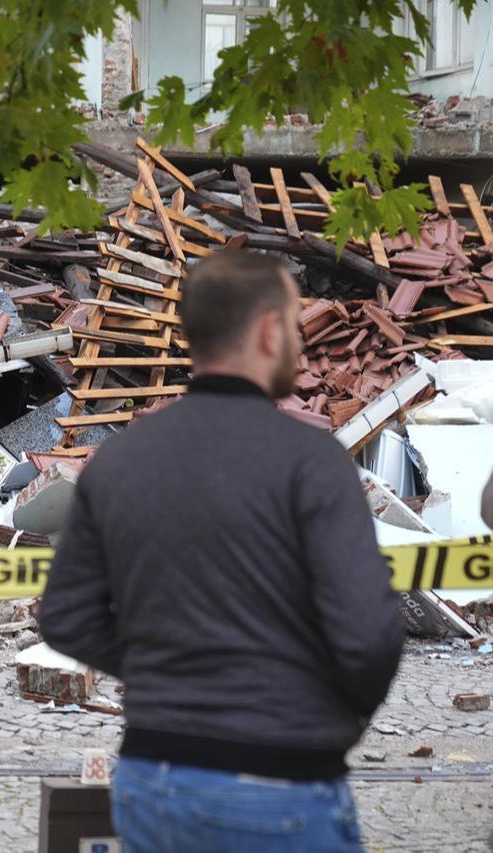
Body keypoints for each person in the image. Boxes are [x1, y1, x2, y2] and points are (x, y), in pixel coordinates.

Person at [41, 252, 404, 852]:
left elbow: (64, 616)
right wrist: (327, 716)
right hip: (279, 777)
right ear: (266, 330)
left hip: (152, 779)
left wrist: (168, 674)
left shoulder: (122, 460)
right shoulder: (312, 461)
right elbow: (368, 635)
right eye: (293, 326)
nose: (300, 345)